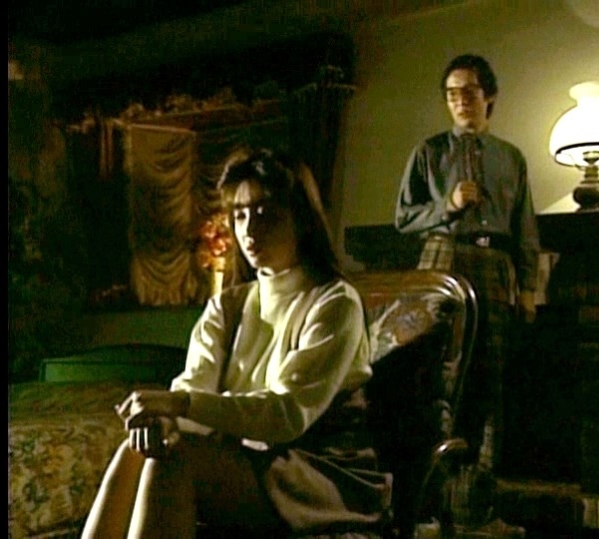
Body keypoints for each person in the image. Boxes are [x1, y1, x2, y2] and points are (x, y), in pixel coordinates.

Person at [81, 148, 392, 538]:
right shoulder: (229, 305)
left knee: (176, 457)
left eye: (265, 213)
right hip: (249, 457)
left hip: (317, 469)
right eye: (241, 215)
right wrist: (163, 419)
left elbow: (286, 414)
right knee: (141, 447)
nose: (249, 229)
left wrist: (177, 404)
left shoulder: (334, 303)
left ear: (301, 218)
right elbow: (195, 386)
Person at [394, 53, 540, 522]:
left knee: (488, 381)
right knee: (438, 377)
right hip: (442, 259)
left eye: (470, 92)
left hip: (495, 265)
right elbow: (403, 218)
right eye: (452, 94)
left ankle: (477, 502)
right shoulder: (428, 152)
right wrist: (448, 205)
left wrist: (528, 287)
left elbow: (525, 227)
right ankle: (431, 499)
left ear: (489, 96)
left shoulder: (511, 158)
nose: (460, 101)